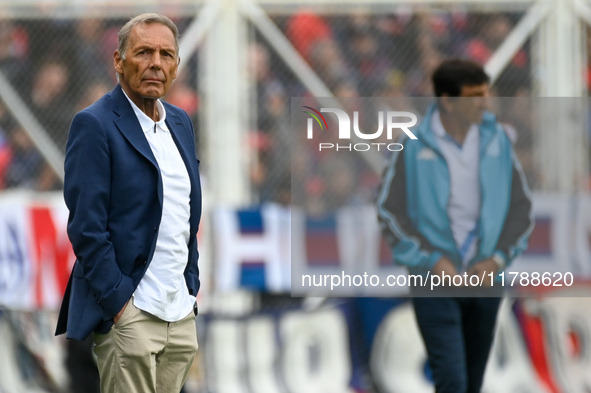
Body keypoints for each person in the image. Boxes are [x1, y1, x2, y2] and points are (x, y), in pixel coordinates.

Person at [55, 13, 202, 393]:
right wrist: (121, 305)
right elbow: (86, 227)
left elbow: (185, 215)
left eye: (166, 54)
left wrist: (190, 287)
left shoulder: (181, 124)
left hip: (179, 314)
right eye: (144, 52)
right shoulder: (94, 124)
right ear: (119, 61)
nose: (156, 63)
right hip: (131, 315)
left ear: (177, 66)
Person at [377, 59, 533, 393]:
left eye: (485, 93)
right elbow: (390, 212)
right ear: (447, 101)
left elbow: (521, 210)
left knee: (472, 383)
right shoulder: (414, 144)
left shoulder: (497, 142)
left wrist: (497, 260)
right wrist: (431, 262)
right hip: (434, 283)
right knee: (452, 380)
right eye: (474, 95)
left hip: (487, 282)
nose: (484, 103)